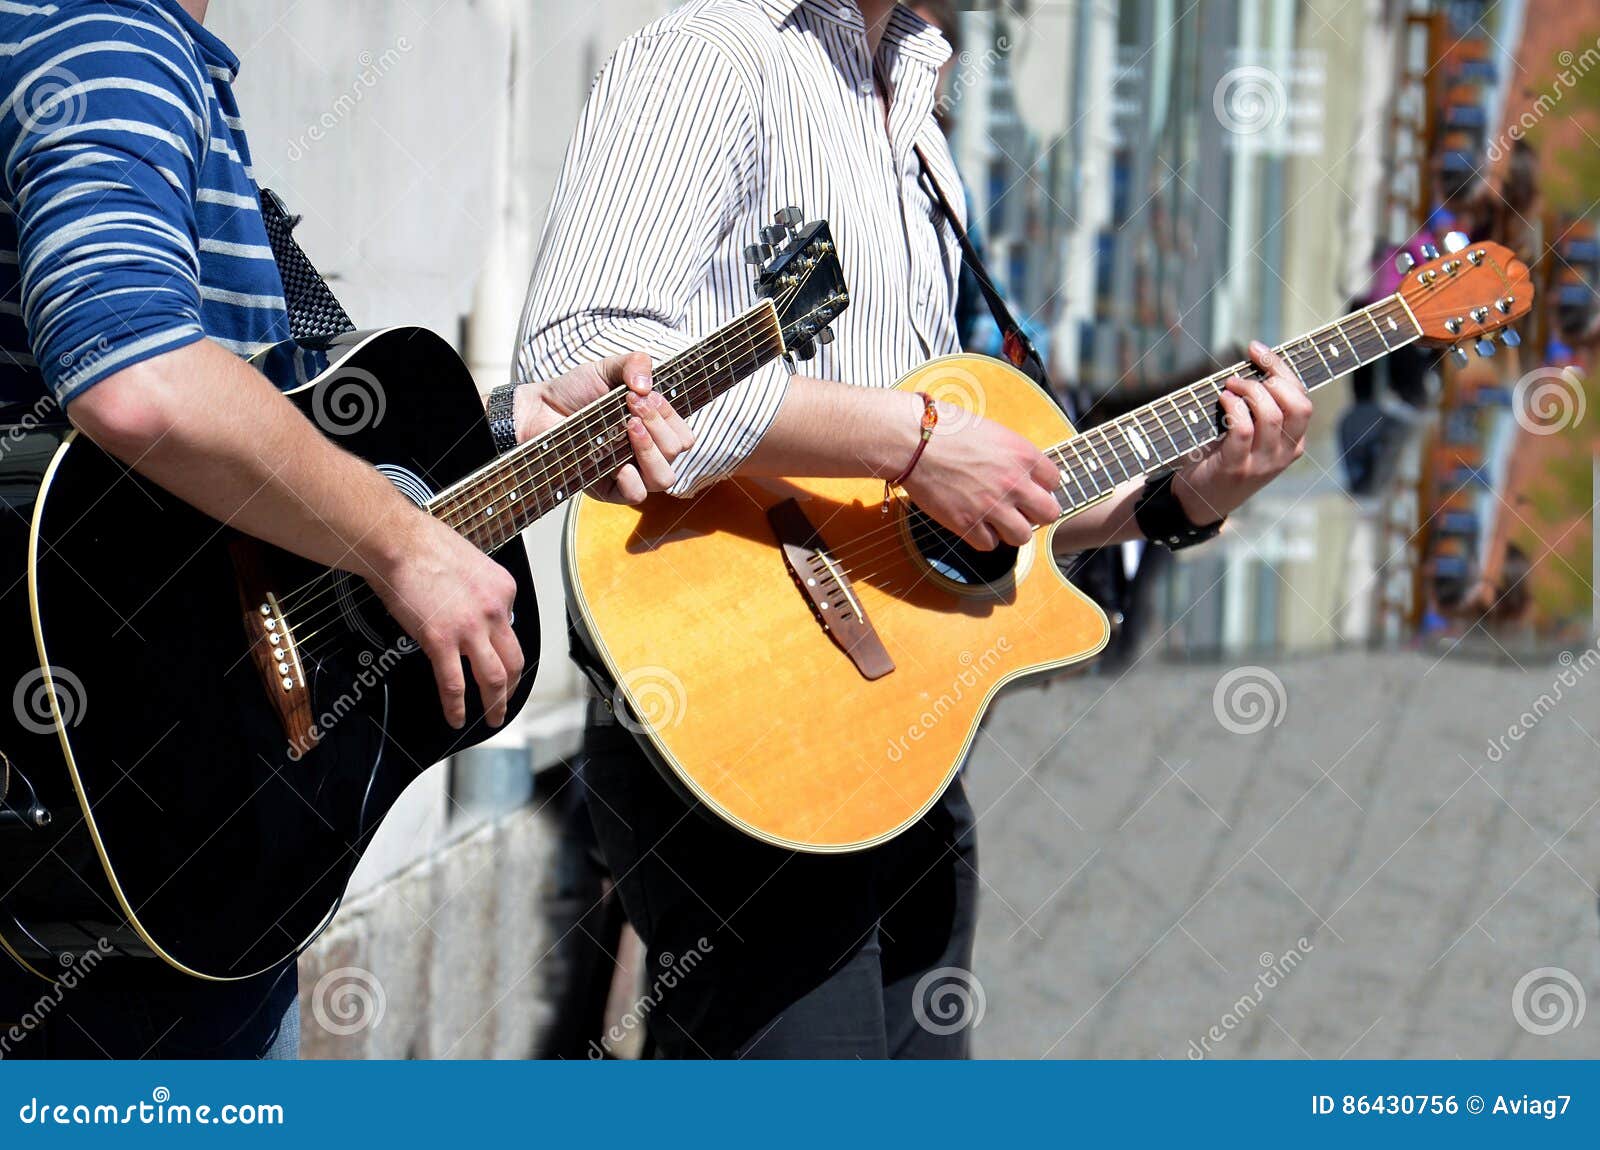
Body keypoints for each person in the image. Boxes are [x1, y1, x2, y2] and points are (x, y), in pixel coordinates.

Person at [519, 0, 1313, 1058]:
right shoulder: (713, 53)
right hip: (736, 712)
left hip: (897, 752)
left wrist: (1186, 498)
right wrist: (913, 439)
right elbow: (584, 373)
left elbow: (938, 507)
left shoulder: (920, 123)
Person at [0, 0, 690, 1058]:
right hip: (134, 861)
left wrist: (506, 428)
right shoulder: (106, 35)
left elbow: (267, 429)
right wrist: (403, 545)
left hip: (147, 848)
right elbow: (133, 375)